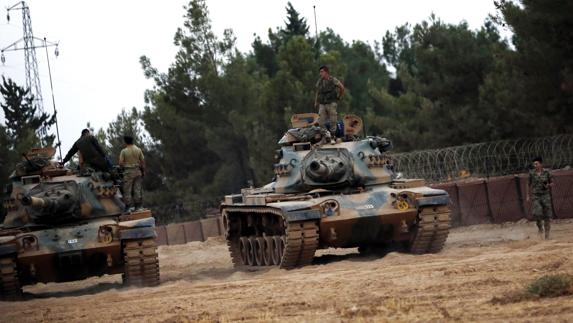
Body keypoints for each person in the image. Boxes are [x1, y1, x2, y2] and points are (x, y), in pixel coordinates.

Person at [526, 156, 554, 239]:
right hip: (536, 196)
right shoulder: (531, 173)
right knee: (537, 213)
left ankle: (547, 235)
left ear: (540, 164)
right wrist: (527, 195)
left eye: (536, 164)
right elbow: (528, 184)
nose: (535, 165)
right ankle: (540, 227)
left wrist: (548, 185)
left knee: (547, 216)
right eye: (534, 164)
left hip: (545, 195)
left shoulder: (547, 172)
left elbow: (552, 182)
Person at [314, 65, 345, 133]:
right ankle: (326, 136)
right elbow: (317, 92)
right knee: (320, 121)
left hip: (331, 102)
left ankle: (333, 136)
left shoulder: (333, 80)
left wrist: (339, 97)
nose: (320, 74)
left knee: (333, 120)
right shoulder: (320, 81)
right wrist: (316, 102)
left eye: (322, 72)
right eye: (320, 72)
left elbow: (342, 88)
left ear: (326, 72)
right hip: (322, 103)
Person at [119, 135, 145, 211]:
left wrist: (125, 167)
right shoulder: (138, 150)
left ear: (125, 142)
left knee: (127, 190)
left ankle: (128, 207)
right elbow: (143, 162)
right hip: (137, 171)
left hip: (128, 172)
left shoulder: (124, 151)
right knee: (137, 189)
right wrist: (143, 171)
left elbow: (120, 163)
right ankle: (138, 207)